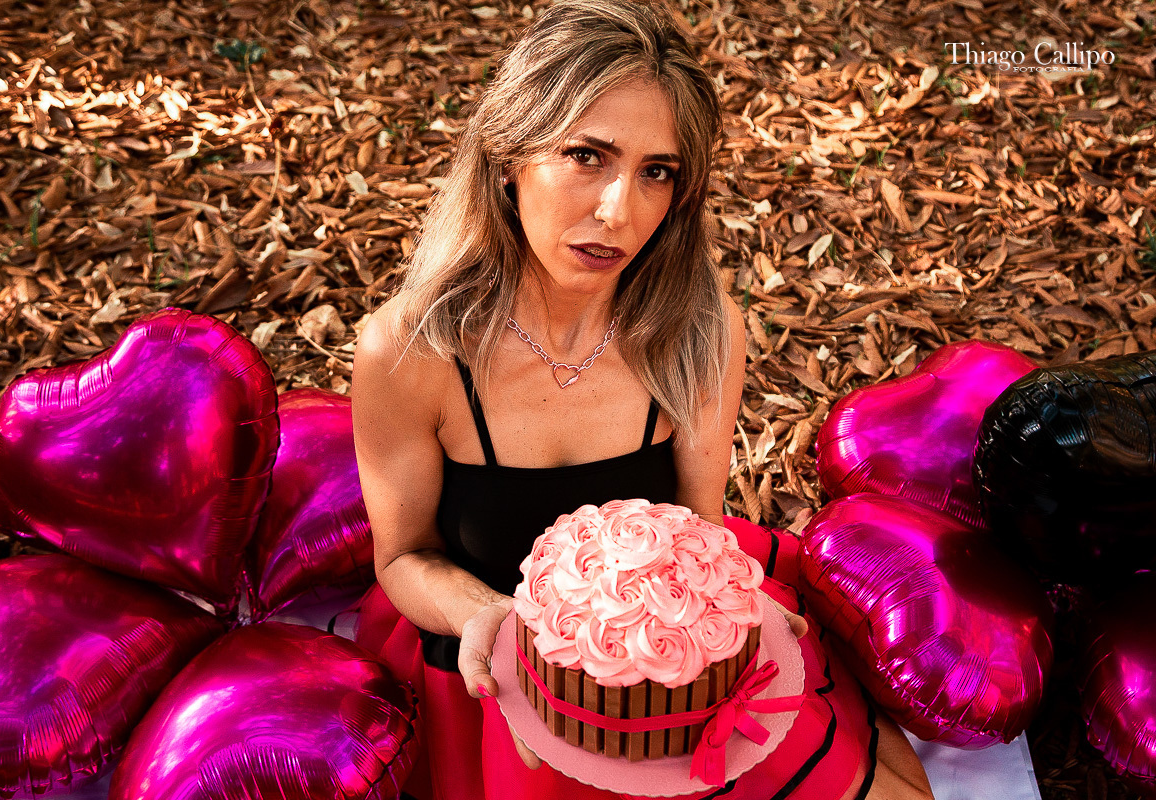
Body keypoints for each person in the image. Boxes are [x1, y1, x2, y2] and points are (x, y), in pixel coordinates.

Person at [349, 2, 934, 798]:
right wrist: (491, 619)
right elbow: (402, 556)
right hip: (479, 667)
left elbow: (698, 524)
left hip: (662, 677)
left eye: (657, 171)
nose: (618, 211)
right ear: (508, 157)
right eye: (586, 155)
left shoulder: (702, 330)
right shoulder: (411, 350)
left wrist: (720, 624)